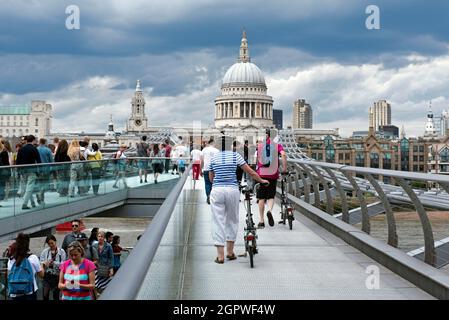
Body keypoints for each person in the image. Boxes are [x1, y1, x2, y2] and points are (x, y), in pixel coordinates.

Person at [206, 134, 268, 264]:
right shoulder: (235, 156)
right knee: (232, 220)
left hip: (217, 190)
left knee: (218, 221)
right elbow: (250, 171)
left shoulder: (214, 157)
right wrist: (262, 180)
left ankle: (220, 256)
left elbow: (211, 178)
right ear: (230, 145)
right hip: (232, 190)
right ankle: (230, 252)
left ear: (218, 145)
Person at [256, 129, 287, 228]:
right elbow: (283, 154)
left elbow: (256, 159)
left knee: (261, 197)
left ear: (267, 136)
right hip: (273, 173)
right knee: (270, 196)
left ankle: (261, 221)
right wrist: (284, 168)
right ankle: (269, 210)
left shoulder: (260, 146)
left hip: (262, 174)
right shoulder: (277, 145)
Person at [7, 233, 45, 300]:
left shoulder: (11, 260)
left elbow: (9, 275)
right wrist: (42, 265)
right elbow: (41, 275)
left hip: (15, 293)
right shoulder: (32, 258)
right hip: (29, 293)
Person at [16, 135, 41, 210]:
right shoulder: (34, 149)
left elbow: (18, 161)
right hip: (32, 170)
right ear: (33, 140)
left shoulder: (21, 149)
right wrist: (39, 171)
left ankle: (33, 203)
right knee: (29, 187)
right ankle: (24, 204)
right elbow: (39, 161)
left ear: (27, 141)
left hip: (23, 171)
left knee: (28, 187)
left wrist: (18, 171)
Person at [40, 235, 66, 300]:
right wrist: (45, 263)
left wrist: (54, 263)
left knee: (56, 295)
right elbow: (41, 262)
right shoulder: (45, 252)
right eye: (49, 244)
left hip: (57, 276)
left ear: (55, 241)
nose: (51, 245)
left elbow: (64, 264)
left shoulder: (61, 251)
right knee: (45, 294)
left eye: (52, 243)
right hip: (47, 276)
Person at [201, 138, 219, 204]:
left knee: (207, 183)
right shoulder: (217, 150)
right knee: (214, 183)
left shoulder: (204, 150)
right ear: (213, 143)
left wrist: (200, 170)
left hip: (206, 169)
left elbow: (202, 161)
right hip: (214, 169)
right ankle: (213, 197)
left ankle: (208, 196)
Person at [37, 138, 54, 205]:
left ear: (39, 142)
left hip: (37, 170)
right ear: (45, 142)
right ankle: (40, 196)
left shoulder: (36, 149)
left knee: (40, 184)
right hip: (46, 169)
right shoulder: (48, 150)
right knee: (45, 184)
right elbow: (51, 161)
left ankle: (41, 199)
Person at [0, 140, 11, 206]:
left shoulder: (3, 152)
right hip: (3, 172)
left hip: (2, 171)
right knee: (2, 185)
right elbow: (7, 163)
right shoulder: (4, 152)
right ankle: (2, 198)